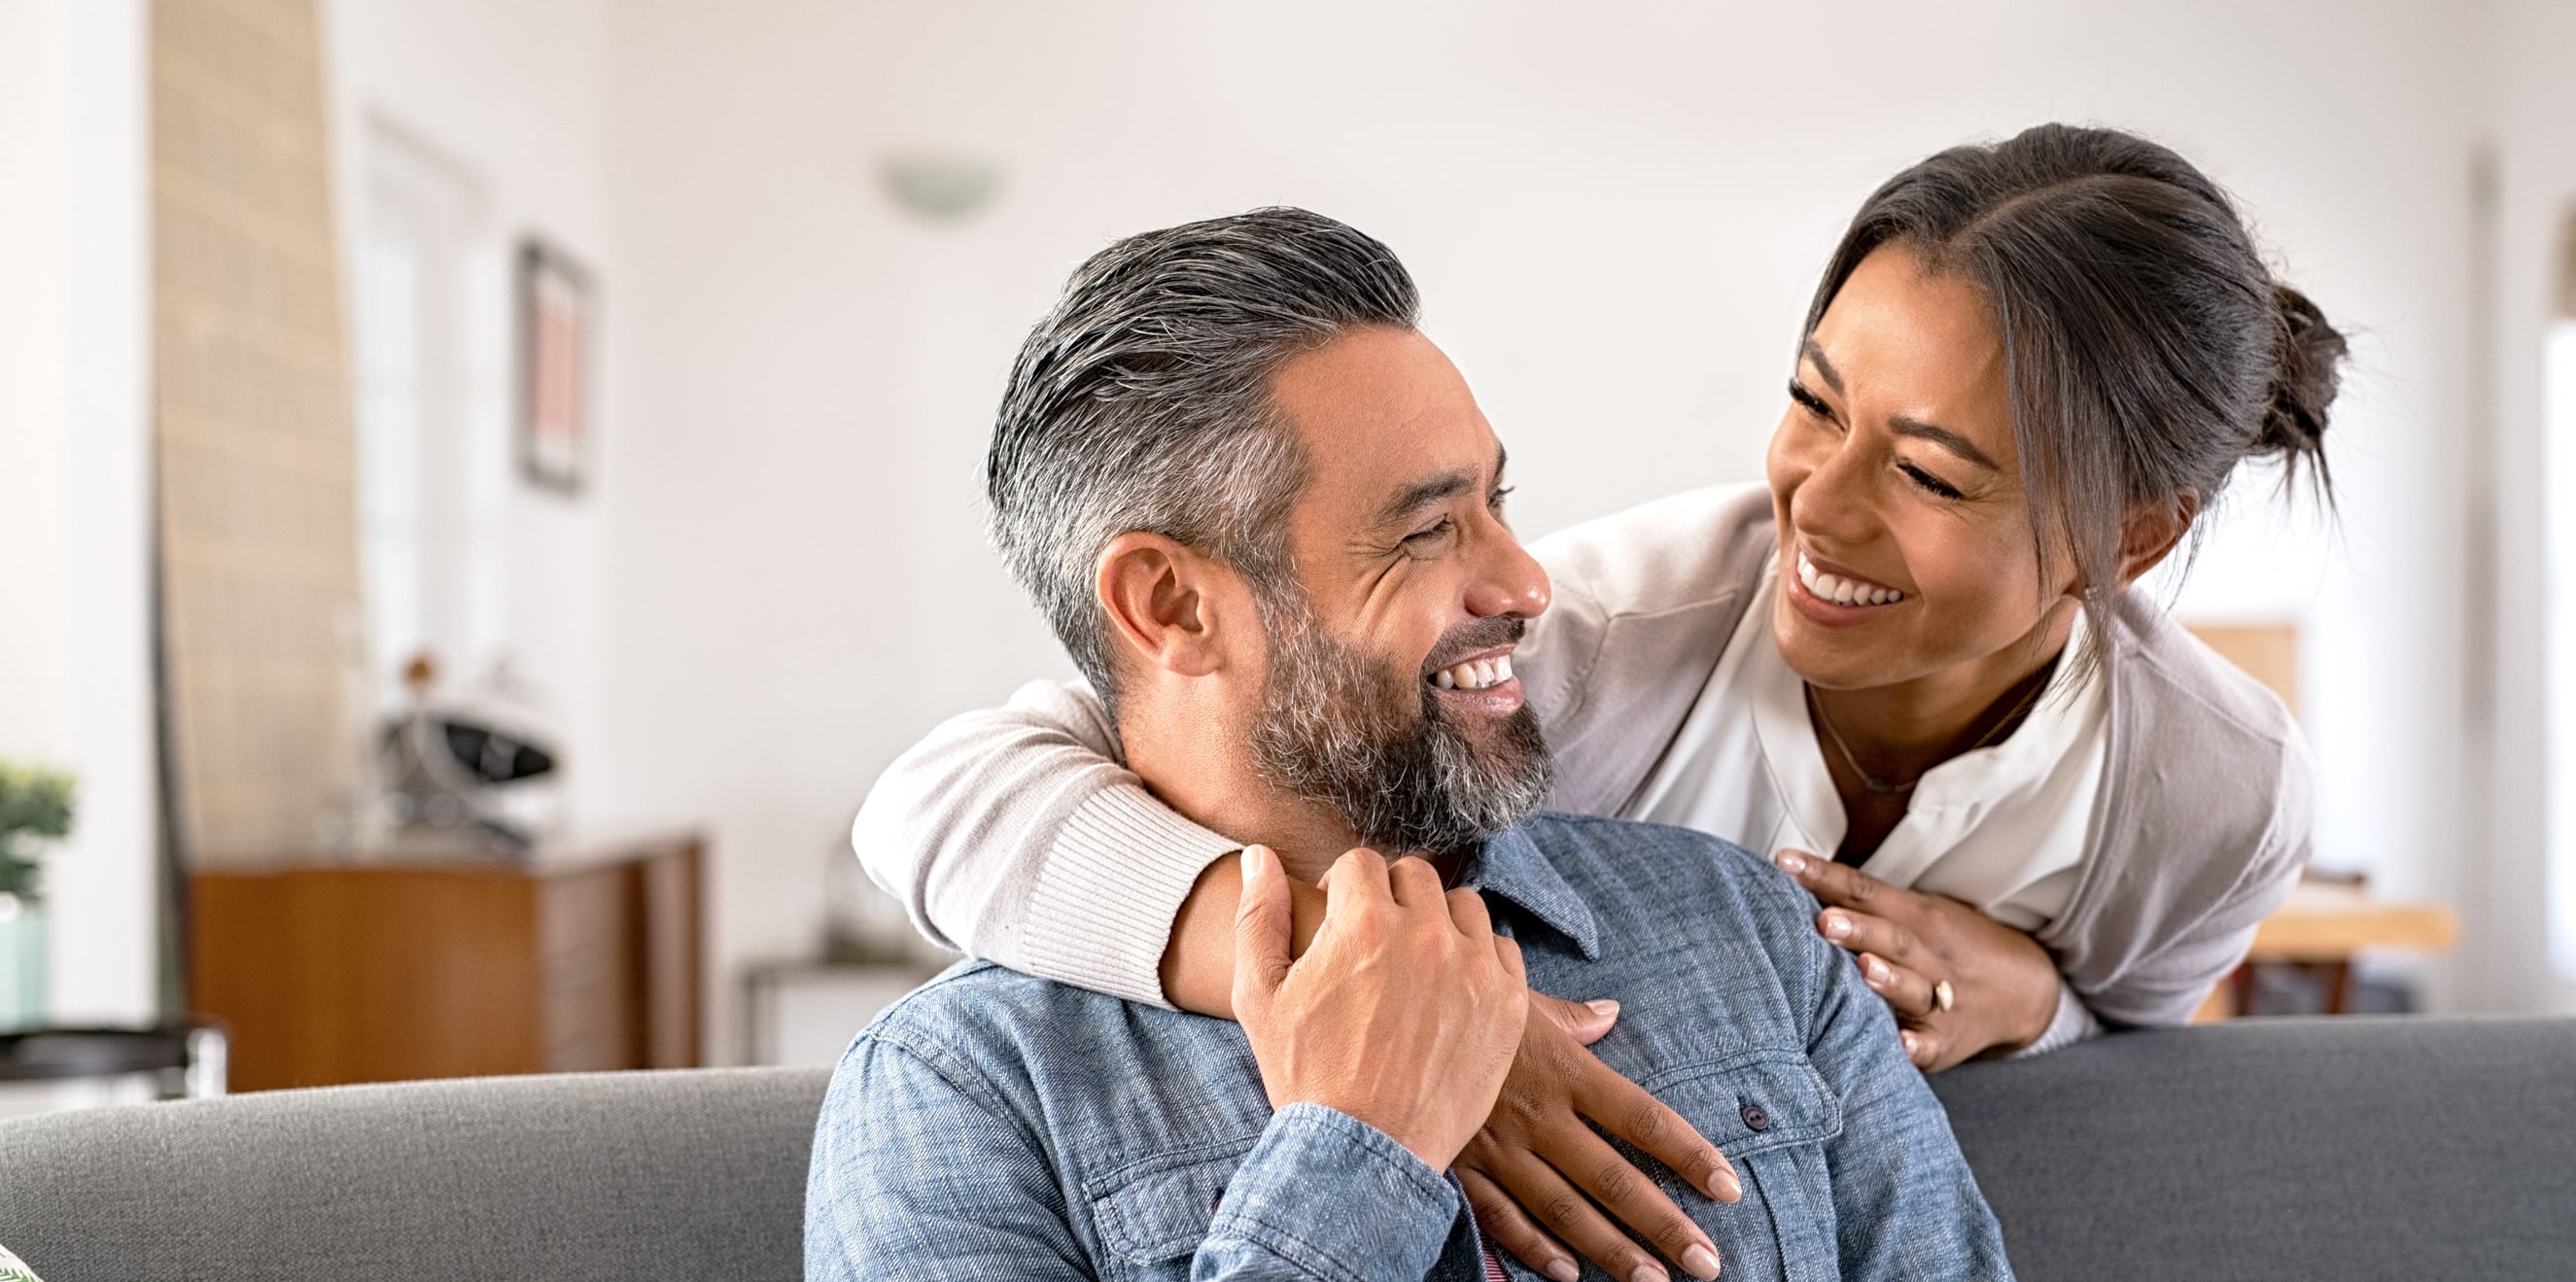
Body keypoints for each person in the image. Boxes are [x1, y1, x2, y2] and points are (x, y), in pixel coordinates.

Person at [854, 123, 2334, 1277]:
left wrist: (2033, 997)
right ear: (1173, 602)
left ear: (2126, 540)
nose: (1818, 506)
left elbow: (2127, 1037)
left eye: (1932, 474)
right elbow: (962, 790)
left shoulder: (2173, 801)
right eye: (1811, 403)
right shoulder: (1597, 640)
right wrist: (1373, 1029)